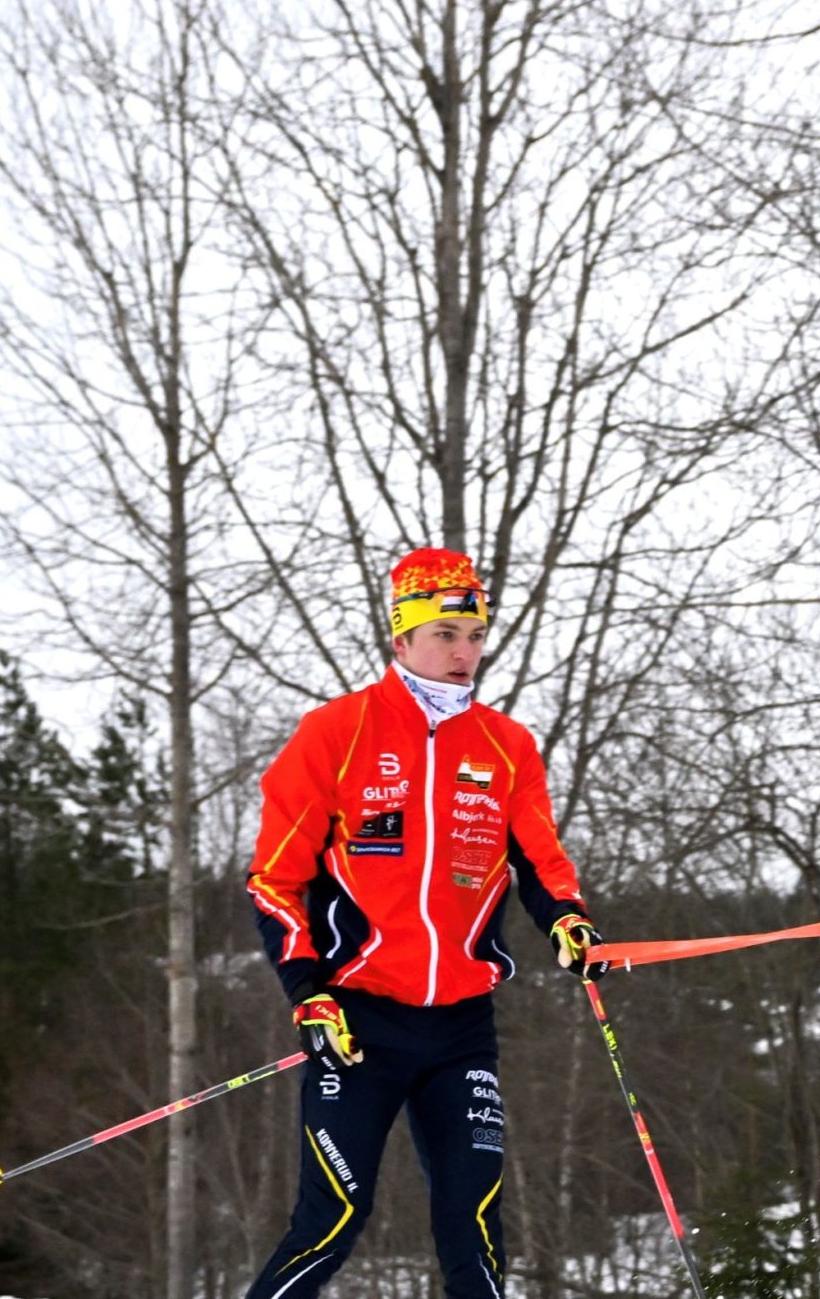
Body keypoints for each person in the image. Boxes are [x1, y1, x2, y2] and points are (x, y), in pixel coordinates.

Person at [241, 548, 605, 1298]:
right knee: (333, 1219)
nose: (464, 652)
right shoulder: (336, 733)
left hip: (461, 1029)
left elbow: (538, 862)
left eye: (474, 635)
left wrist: (568, 921)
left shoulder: (508, 747)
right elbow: (276, 878)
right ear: (400, 638)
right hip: (359, 1024)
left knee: (472, 1223)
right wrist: (307, 990)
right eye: (445, 634)